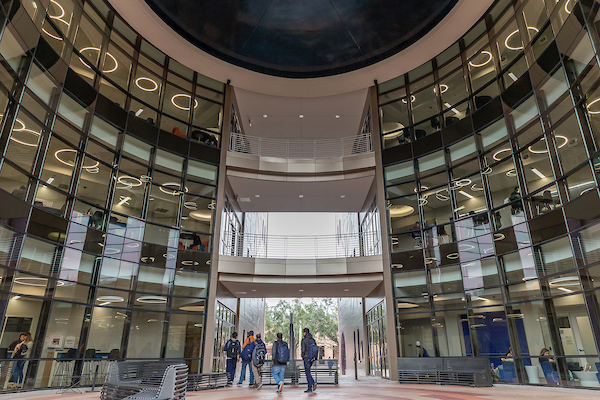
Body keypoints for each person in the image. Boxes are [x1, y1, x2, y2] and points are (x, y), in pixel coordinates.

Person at [301, 327, 317, 393]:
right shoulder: (313, 340)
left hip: (306, 358)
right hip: (312, 358)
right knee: (308, 372)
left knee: (307, 373)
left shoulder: (304, 340)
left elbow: (303, 350)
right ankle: (310, 386)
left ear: (305, 333)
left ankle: (312, 384)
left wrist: (303, 356)